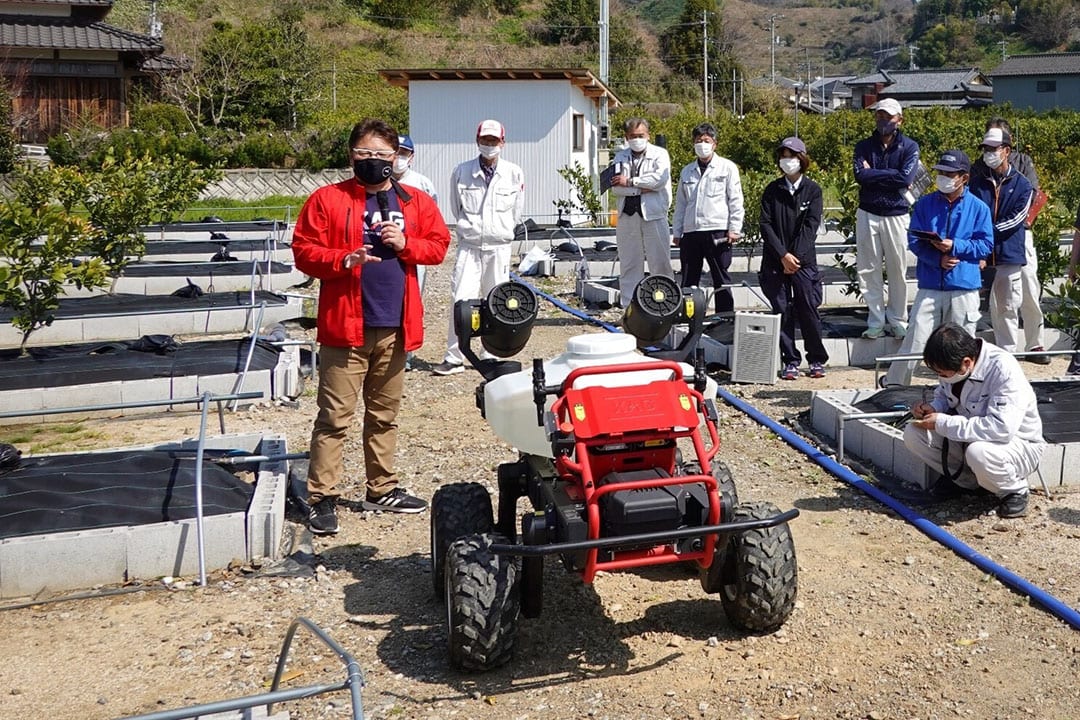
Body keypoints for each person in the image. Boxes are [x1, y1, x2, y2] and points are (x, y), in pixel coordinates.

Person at [292, 118, 451, 534]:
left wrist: (407, 244)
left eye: (383, 155)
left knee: (384, 415)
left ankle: (381, 488)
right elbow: (304, 251)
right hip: (346, 324)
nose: (374, 161)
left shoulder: (415, 202)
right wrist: (342, 260)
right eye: (365, 154)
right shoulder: (328, 200)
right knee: (335, 417)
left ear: (396, 158)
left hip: (395, 323)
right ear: (351, 156)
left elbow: (438, 245)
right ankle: (322, 497)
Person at [904, 322, 1044, 518]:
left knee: (979, 453)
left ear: (967, 363)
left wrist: (942, 423)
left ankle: (1014, 491)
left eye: (943, 374)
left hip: (1016, 444)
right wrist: (934, 408)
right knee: (914, 433)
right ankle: (965, 483)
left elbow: (1001, 429)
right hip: (970, 436)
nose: (941, 377)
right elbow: (945, 395)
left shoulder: (1003, 369)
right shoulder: (953, 364)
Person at [882, 150, 993, 388]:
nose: (943, 177)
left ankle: (965, 388)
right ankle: (894, 386)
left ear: (964, 177)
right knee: (915, 337)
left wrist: (955, 246)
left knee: (963, 342)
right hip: (931, 284)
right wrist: (936, 258)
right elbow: (914, 240)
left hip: (964, 286)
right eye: (941, 172)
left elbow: (985, 245)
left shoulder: (979, 208)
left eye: (949, 173)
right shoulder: (925, 204)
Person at [433, 119, 525, 376]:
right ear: (477, 141)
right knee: (460, 298)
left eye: (494, 141)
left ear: (503, 142)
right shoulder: (461, 172)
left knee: (498, 300)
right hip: (470, 246)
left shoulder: (514, 172)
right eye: (485, 140)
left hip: (500, 247)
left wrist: (501, 230)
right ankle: (454, 356)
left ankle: (493, 352)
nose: (489, 145)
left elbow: (516, 210)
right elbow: (456, 207)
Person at [971, 117, 1050, 364]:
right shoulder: (978, 169)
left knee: (1028, 287)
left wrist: (996, 229)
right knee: (1001, 297)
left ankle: (1035, 343)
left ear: (1008, 145)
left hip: (1019, 234)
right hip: (991, 237)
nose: (989, 152)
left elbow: (1031, 198)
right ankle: (1007, 348)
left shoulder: (1023, 163)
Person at [758, 136, 827, 380]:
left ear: (802, 159)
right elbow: (766, 225)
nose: (788, 161)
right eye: (784, 156)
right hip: (775, 261)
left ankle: (817, 358)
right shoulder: (772, 190)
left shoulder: (813, 190)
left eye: (792, 156)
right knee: (782, 310)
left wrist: (794, 256)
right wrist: (782, 255)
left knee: (808, 308)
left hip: (803, 262)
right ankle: (790, 360)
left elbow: (811, 226)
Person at [853, 98, 921, 339]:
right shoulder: (863, 146)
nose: (883, 120)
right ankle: (875, 320)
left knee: (897, 270)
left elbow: (904, 180)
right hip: (868, 212)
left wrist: (874, 173)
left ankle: (898, 319)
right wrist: (889, 175)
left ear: (899, 120)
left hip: (897, 214)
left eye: (888, 117)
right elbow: (861, 176)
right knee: (868, 270)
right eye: (880, 116)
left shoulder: (910, 147)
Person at [672, 122, 744, 316]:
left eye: (706, 140)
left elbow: (736, 199)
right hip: (692, 231)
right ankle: (690, 317)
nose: (702, 144)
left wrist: (734, 228)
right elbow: (681, 204)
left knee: (720, 277)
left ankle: (724, 318)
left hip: (717, 230)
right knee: (689, 278)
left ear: (714, 144)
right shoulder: (687, 171)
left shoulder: (727, 168)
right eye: (698, 141)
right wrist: (677, 231)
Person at [609, 117, 674, 307]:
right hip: (627, 215)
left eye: (640, 135)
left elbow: (658, 181)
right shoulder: (620, 156)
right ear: (626, 137)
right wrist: (642, 187)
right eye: (632, 136)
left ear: (648, 135)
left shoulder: (660, 154)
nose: (637, 139)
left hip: (654, 214)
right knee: (629, 263)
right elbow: (615, 188)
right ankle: (629, 307)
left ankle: (664, 303)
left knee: (660, 261)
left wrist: (630, 182)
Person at [393, 134, 439, 371]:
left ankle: (407, 354)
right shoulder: (375, 181)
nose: (398, 158)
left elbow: (433, 217)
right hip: (386, 251)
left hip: (414, 249)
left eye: (404, 153)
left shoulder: (422, 183)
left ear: (411, 157)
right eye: (396, 152)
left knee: (412, 300)